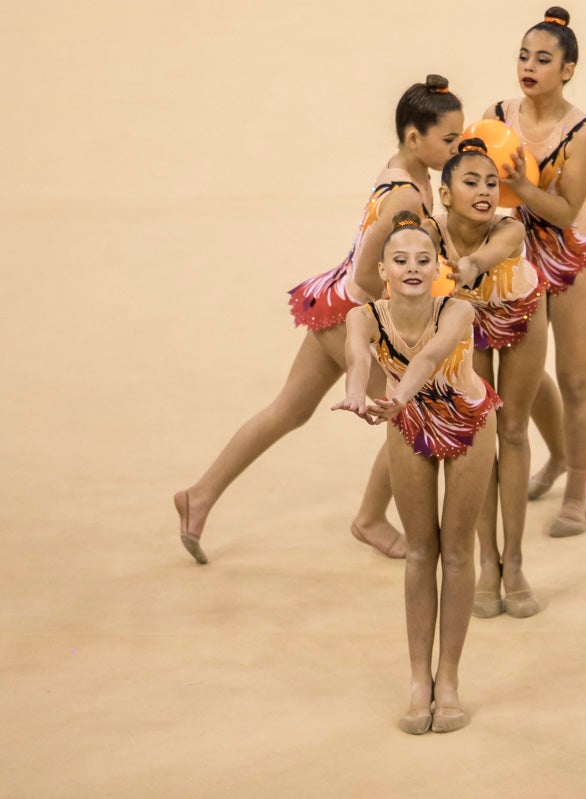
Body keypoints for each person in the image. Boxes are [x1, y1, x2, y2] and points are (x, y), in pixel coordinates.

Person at [173, 76, 463, 564]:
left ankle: (197, 496)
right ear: (415, 138)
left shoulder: (405, 171)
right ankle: (370, 519)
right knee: (412, 413)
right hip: (350, 312)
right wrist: (399, 327)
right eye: (449, 140)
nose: (456, 149)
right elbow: (374, 267)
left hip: (332, 297)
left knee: (290, 409)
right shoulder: (408, 196)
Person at [333, 211, 500, 733]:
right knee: (420, 551)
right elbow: (358, 359)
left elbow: (428, 358)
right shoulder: (363, 316)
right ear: (382, 269)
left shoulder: (458, 311)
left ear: (437, 269)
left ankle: (447, 678)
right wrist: (357, 396)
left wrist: (395, 397)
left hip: (468, 420)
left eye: (423, 260)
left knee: (456, 550)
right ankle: (416, 682)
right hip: (405, 422)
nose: (411, 267)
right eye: (400, 260)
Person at [485, 6, 586, 537]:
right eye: (523, 56)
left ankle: (577, 490)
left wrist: (526, 188)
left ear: (568, 69)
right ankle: (556, 458)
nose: (528, 67)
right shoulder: (496, 116)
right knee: (525, 379)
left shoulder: (581, 132)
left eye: (543, 59)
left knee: (576, 379)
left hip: (572, 252)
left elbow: (563, 208)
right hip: (516, 254)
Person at [424, 138, 547, 618]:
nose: (484, 190)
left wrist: (472, 264)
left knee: (513, 431)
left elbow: (496, 250)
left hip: (518, 315)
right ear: (446, 193)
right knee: (479, 438)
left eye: (491, 183)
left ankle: (514, 561)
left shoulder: (509, 228)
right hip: (463, 323)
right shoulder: (429, 232)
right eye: (470, 182)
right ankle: (487, 562)